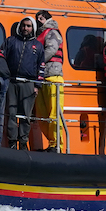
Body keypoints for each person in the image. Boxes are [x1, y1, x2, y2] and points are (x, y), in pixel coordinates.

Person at [3, 17, 42, 148]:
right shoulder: (11, 41)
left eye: (29, 26)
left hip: (29, 83)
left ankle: (23, 142)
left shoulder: (38, 45)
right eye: (24, 25)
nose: (25, 28)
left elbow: (41, 67)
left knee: (26, 115)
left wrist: (37, 85)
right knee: (11, 113)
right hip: (12, 82)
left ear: (33, 28)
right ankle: (12, 141)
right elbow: (3, 58)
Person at [34, 10, 66, 151]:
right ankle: (52, 143)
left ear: (41, 18)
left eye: (38, 18)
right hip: (42, 77)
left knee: (54, 113)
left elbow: (51, 50)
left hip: (53, 76)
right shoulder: (40, 34)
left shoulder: (52, 33)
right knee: (42, 114)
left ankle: (57, 144)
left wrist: (35, 62)